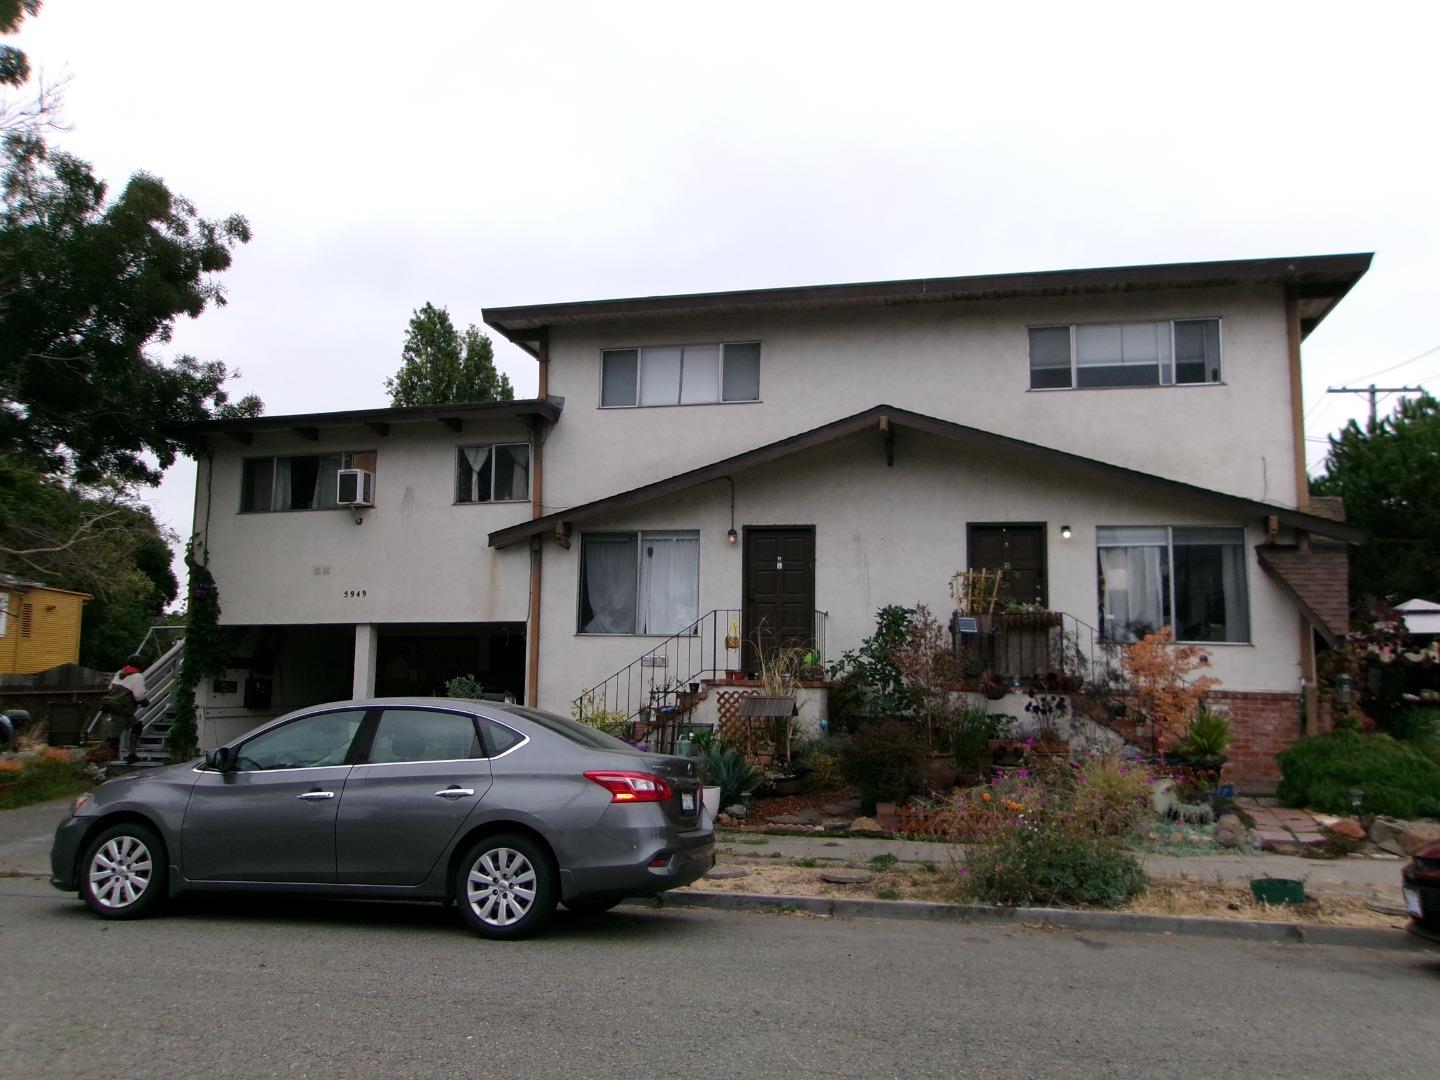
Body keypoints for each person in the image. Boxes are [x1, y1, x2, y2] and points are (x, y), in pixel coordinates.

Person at [103, 655, 149, 764]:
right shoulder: (138, 676)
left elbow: (110, 688)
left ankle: (131, 755)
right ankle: (104, 760)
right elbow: (138, 695)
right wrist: (144, 702)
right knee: (113, 738)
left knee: (136, 726)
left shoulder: (120, 673)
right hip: (122, 708)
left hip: (111, 705)